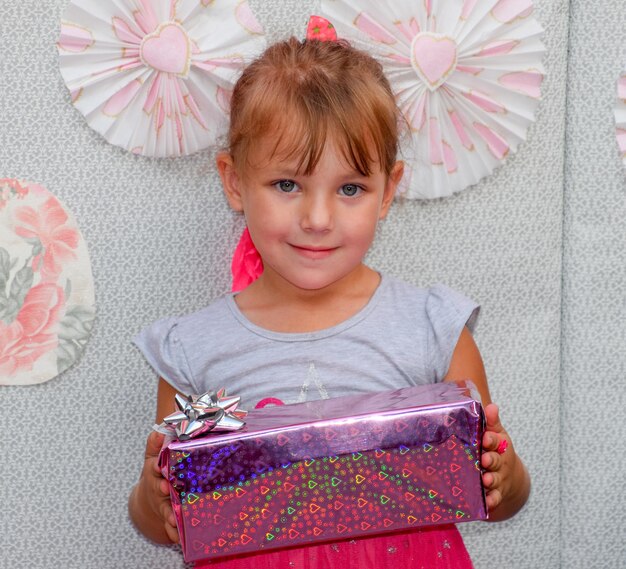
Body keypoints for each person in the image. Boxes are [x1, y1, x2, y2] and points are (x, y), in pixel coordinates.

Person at [128, 36, 530, 568]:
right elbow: (160, 524)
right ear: (233, 181)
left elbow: (499, 497)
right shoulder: (191, 350)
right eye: (287, 183)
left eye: (350, 189)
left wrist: (506, 475)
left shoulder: (433, 328)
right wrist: (156, 500)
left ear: (388, 190)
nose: (317, 220)